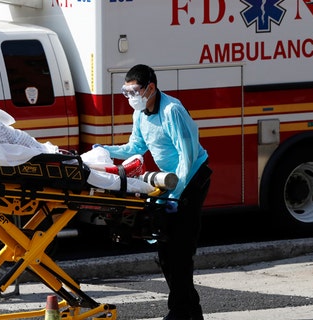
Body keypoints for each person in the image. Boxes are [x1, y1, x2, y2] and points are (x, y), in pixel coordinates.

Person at [96, 64, 212, 320]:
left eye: (134, 91)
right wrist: (103, 150)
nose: (130, 98)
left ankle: (181, 312)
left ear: (151, 88)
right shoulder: (141, 115)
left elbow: (187, 155)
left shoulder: (172, 110)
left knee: (180, 249)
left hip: (192, 178)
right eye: (126, 92)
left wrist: (176, 195)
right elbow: (134, 147)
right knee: (165, 250)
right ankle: (190, 311)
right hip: (171, 182)